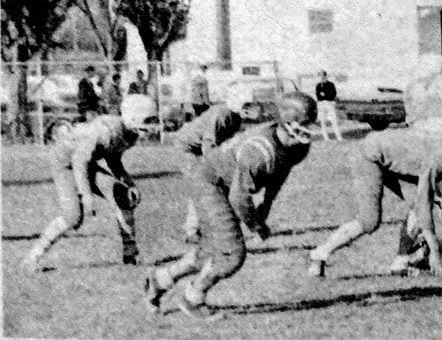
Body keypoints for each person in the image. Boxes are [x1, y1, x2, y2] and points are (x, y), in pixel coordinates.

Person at [143, 92, 318, 320]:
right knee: (231, 254)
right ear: (286, 122)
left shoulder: (296, 147)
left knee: (210, 249)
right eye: (302, 123)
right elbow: (238, 198)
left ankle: (159, 279)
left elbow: (280, 173)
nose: (306, 130)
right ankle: (192, 298)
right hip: (211, 181)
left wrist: (266, 207)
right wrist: (255, 225)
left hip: (224, 181)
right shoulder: (259, 151)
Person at [306, 125, 442, 278]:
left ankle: (401, 262)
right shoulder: (440, 158)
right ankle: (319, 254)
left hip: (388, 153)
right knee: (369, 221)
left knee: (416, 208)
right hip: (369, 156)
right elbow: (425, 201)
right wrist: (435, 252)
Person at [21, 104, 153, 272]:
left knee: (124, 196)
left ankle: (130, 254)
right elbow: (78, 161)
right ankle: (32, 257)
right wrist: (86, 195)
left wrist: (128, 182)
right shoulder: (105, 130)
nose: (151, 126)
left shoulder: (129, 134)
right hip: (65, 162)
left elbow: (113, 159)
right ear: (133, 117)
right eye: (148, 120)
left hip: (85, 161)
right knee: (73, 216)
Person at [172, 95, 246, 244]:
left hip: (201, 149)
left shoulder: (236, 118)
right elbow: (208, 144)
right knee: (202, 186)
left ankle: (217, 226)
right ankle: (192, 230)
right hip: (188, 149)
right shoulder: (221, 114)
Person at [315, 70, 344, 141]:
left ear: (325, 76)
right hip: (321, 104)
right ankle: (326, 138)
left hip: (329, 104)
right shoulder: (318, 85)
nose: (322, 77)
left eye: (323, 75)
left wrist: (324, 95)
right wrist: (324, 95)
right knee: (322, 122)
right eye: (320, 76)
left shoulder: (331, 84)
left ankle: (339, 138)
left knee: (333, 121)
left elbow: (333, 94)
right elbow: (318, 96)